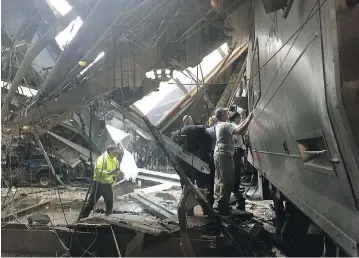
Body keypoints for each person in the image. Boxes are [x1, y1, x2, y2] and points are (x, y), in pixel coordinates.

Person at [214, 107, 253, 216]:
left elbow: (240, 128)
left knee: (220, 180)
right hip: (224, 155)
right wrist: (249, 118)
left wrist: (246, 119)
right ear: (222, 116)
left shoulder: (220, 125)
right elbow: (240, 131)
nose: (229, 114)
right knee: (227, 181)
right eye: (227, 113)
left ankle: (220, 205)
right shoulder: (225, 125)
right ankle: (222, 207)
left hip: (221, 155)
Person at [172, 124, 212, 215]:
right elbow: (208, 146)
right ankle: (206, 210)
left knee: (187, 185)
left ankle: (189, 210)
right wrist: (201, 156)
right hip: (197, 161)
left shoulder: (178, 134)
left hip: (188, 160)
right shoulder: (203, 133)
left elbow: (176, 152)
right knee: (202, 185)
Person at [79, 144, 124, 219]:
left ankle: (109, 217)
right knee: (91, 202)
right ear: (110, 151)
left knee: (109, 202)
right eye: (115, 151)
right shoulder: (102, 158)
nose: (116, 153)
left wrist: (116, 174)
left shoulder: (115, 160)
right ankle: (82, 217)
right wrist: (109, 173)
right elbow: (97, 170)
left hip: (107, 184)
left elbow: (116, 170)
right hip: (98, 184)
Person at [228, 109, 246, 210]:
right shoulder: (234, 126)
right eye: (239, 118)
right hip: (236, 152)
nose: (240, 119)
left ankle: (236, 195)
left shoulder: (233, 126)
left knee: (237, 174)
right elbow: (242, 131)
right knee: (236, 174)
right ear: (235, 118)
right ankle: (236, 196)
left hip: (237, 152)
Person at [205, 116, 218, 212]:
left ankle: (209, 202)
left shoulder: (206, 130)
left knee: (210, 179)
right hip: (216, 154)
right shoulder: (216, 130)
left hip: (209, 155)